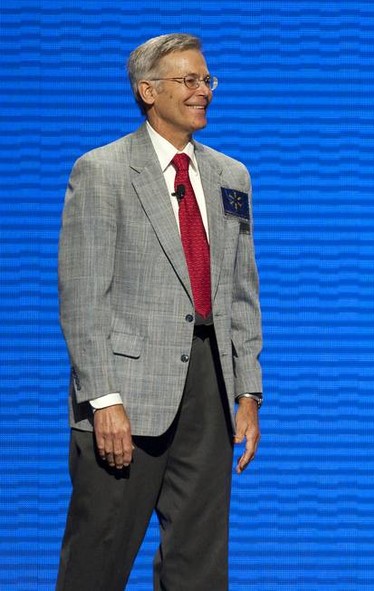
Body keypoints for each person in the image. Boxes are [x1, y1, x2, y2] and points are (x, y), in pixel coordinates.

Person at [56, 33, 264, 591]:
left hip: (209, 385)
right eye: (189, 80)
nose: (203, 91)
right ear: (148, 91)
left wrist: (247, 392)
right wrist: (103, 399)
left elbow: (241, 291)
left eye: (207, 80)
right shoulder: (101, 171)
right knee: (97, 559)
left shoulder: (231, 177)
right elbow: (82, 297)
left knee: (198, 564)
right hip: (125, 391)